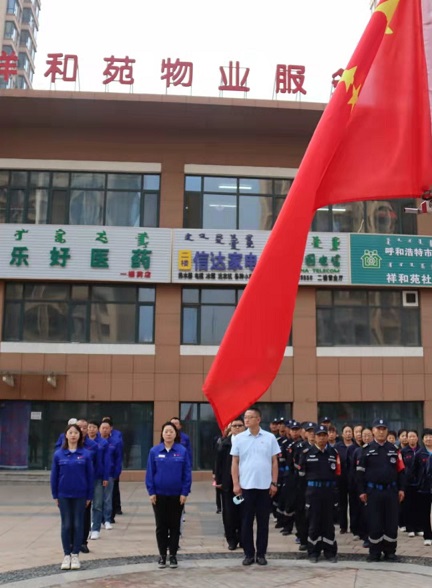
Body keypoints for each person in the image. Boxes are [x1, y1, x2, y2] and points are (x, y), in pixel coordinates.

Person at [231, 407, 280, 566]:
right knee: (246, 522)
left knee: (263, 522)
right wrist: (236, 483)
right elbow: (235, 462)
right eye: (245, 417)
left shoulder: (269, 437)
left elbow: (274, 462)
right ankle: (248, 554)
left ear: (258, 419)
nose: (246, 420)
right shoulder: (239, 439)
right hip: (246, 486)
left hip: (264, 487)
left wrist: (274, 482)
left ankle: (261, 554)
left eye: (250, 417)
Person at [356, 418, 405, 562]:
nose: (381, 432)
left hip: (391, 492)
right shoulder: (366, 450)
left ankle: (390, 552)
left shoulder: (394, 449)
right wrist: (361, 491)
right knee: (374, 522)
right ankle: (375, 552)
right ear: (373, 431)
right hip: (373, 492)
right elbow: (359, 474)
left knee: (391, 523)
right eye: (379, 429)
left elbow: (401, 471)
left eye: (384, 429)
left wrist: (402, 489)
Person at [146, 422, 192, 569]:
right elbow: (150, 473)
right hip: (159, 495)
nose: (168, 434)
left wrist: (184, 492)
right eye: (166, 431)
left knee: (174, 526)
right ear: (162, 434)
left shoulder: (182, 451)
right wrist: (151, 492)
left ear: (175, 434)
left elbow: (187, 473)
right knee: (161, 526)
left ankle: (173, 555)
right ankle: (162, 555)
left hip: (177, 495)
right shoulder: (154, 451)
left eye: (171, 431)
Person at [50, 424, 94, 571]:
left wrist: (89, 495)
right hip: (63, 495)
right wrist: (55, 494)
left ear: (80, 436)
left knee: (78, 524)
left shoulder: (86, 454)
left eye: (76, 432)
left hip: (80, 495)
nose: (73, 435)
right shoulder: (59, 454)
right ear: (66, 435)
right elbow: (54, 476)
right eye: (70, 432)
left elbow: (90, 476)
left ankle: (75, 554)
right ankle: (66, 555)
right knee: (66, 524)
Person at [298, 425, 341, 563]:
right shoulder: (306, 453)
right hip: (313, 492)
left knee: (328, 523)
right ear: (314, 437)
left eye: (324, 435)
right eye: (319, 435)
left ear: (327, 437)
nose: (322, 438)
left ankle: (330, 552)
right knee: (314, 523)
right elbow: (301, 477)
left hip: (328, 492)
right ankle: (313, 552)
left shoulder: (333, 453)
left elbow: (337, 475)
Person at [215, 418, 246, 549]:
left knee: (244, 512)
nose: (237, 428)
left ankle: (243, 538)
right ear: (230, 428)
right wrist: (218, 480)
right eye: (234, 426)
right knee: (229, 513)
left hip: (245, 483)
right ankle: (231, 539)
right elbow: (218, 463)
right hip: (227, 484)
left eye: (240, 425)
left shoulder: (248, 442)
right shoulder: (224, 444)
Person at [87, 420, 110, 540]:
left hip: (98, 477)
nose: (91, 429)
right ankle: (87, 527)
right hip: (85, 478)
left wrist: (106, 477)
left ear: (97, 429)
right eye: (89, 427)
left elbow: (106, 461)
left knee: (97, 504)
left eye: (94, 427)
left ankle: (96, 528)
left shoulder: (103, 443)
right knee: (84, 505)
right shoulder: (83, 442)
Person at [412, 428, 432, 546]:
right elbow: (413, 471)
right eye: (426, 437)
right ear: (423, 440)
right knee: (425, 513)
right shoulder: (419, 454)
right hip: (424, 488)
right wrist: (418, 483)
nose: (429, 439)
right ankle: (428, 536)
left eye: (430, 436)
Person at [101, 417, 124, 521]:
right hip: (98, 474)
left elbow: (118, 458)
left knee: (109, 497)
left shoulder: (115, 442)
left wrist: (116, 473)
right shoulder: (96, 442)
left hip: (111, 473)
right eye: (103, 428)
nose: (104, 430)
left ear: (111, 429)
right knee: (98, 498)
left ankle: (109, 518)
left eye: (107, 428)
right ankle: (98, 518)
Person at [401, 429, 421, 537]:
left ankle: (419, 527)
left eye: (414, 436)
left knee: (419, 505)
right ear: (407, 439)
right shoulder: (403, 452)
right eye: (410, 437)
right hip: (407, 483)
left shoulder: (421, 451)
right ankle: (410, 528)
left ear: (417, 438)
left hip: (420, 483)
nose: (412, 438)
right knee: (408, 506)